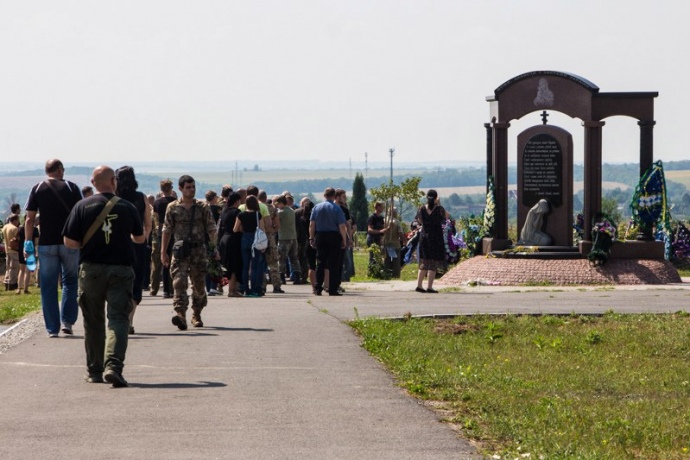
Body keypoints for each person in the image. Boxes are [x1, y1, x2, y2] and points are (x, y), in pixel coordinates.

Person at [63, 166, 144, 387]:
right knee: (118, 318)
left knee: (93, 321)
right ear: (113, 182)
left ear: (94, 182)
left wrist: (88, 243)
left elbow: (69, 242)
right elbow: (139, 238)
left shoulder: (81, 206)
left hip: (91, 270)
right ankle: (114, 366)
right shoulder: (127, 207)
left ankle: (95, 370)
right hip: (121, 269)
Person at [24, 159, 82, 337]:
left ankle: (52, 328)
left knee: (48, 286)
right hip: (69, 242)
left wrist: (28, 243)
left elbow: (29, 219)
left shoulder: (37, 188)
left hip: (46, 243)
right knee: (70, 281)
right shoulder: (72, 188)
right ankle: (67, 321)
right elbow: (81, 213)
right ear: (59, 170)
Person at [161, 175, 219, 330]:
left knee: (199, 286)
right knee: (179, 282)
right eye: (188, 187)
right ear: (180, 189)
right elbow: (166, 230)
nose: (191, 190)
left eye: (193, 187)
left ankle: (197, 313)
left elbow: (212, 228)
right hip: (180, 251)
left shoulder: (202, 207)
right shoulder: (173, 207)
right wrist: (163, 252)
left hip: (199, 251)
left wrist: (214, 249)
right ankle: (181, 315)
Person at [115, 166, 152, 334]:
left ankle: (119, 317)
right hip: (137, 244)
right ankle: (129, 320)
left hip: (115, 245)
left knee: (117, 281)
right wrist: (144, 238)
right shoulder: (141, 198)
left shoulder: (113, 198)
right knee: (135, 282)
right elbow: (148, 224)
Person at [309, 187, 347, 296]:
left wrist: (312, 237)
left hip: (320, 235)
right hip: (333, 236)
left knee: (320, 263)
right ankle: (332, 289)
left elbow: (312, 224)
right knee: (333, 264)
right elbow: (342, 226)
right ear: (334, 196)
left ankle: (317, 288)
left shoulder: (316, 207)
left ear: (324, 196)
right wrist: (344, 239)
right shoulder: (337, 208)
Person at [415, 189, 449, 294]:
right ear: (436, 198)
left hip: (424, 237)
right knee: (433, 262)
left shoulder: (421, 209)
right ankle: (429, 286)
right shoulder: (439, 209)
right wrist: (438, 204)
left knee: (424, 262)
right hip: (436, 237)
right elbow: (447, 217)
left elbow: (419, 221)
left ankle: (419, 285)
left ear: (427, 197)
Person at [233, 195, 266, 297]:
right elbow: (262, 229)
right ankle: (255, 289)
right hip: (255, 240)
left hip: (244, 239)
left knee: (245, 266)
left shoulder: (241, 215)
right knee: (255, 266)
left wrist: (243, 230)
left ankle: (245, 289)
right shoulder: (258, 215)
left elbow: (235, 229)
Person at [151, 179, 176, 297]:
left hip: (161, 232)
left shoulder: (157, 203)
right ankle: (172, 288)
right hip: (174, 232)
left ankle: (165, 289)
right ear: (171, 188)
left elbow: (155, 218)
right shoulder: (175, 202)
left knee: (163, 260)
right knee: (174, 260)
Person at [217, 192, 243, 297]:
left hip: (224, 238)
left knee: (224, 264)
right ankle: (232, 290)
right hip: (234, 239)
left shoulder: (224, 211)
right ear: (237, 201)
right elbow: (239, 228)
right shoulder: (237, 212)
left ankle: (220, 286)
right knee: (234, 265)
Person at [275, 195, 302, 286]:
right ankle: (297, 276)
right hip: (293, 238)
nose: (277, 206)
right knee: (294, 258)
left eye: (277, 204)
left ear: (281, 203)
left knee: (281, 259)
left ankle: (282, 277)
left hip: (284, 238)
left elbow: (276, 221)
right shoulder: (292, 211)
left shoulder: (281, 212)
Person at [383, 208, 405, 278]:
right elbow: (400, 233)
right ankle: (396, 275)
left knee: (386, 260)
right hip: (395, 244)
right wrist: (404, 239)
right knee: (396, 261)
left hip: (385, 243)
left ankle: (386, 273)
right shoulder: (396, 222)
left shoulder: (384, 220)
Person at [366, 201, 388, 268]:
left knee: (378, 255)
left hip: (378, 239)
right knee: (372, 255)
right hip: (372, 238)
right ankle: (371, 269)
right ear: (378, 207)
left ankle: (377, 269)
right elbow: (369, 230)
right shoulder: (372, 217)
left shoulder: (381, 218)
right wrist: (380, 231)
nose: (383, 208)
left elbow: (382, 229)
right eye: (382, 207)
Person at [2, 214, 20, 292]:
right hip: (13, 250)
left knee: (8, 268)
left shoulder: (5, 227)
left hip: (7, 250)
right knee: (14, 268)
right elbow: (16, 240)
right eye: (18, 220)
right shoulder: (15, 228)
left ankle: (6, 282)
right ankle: (13, 284)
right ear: (15, 220)